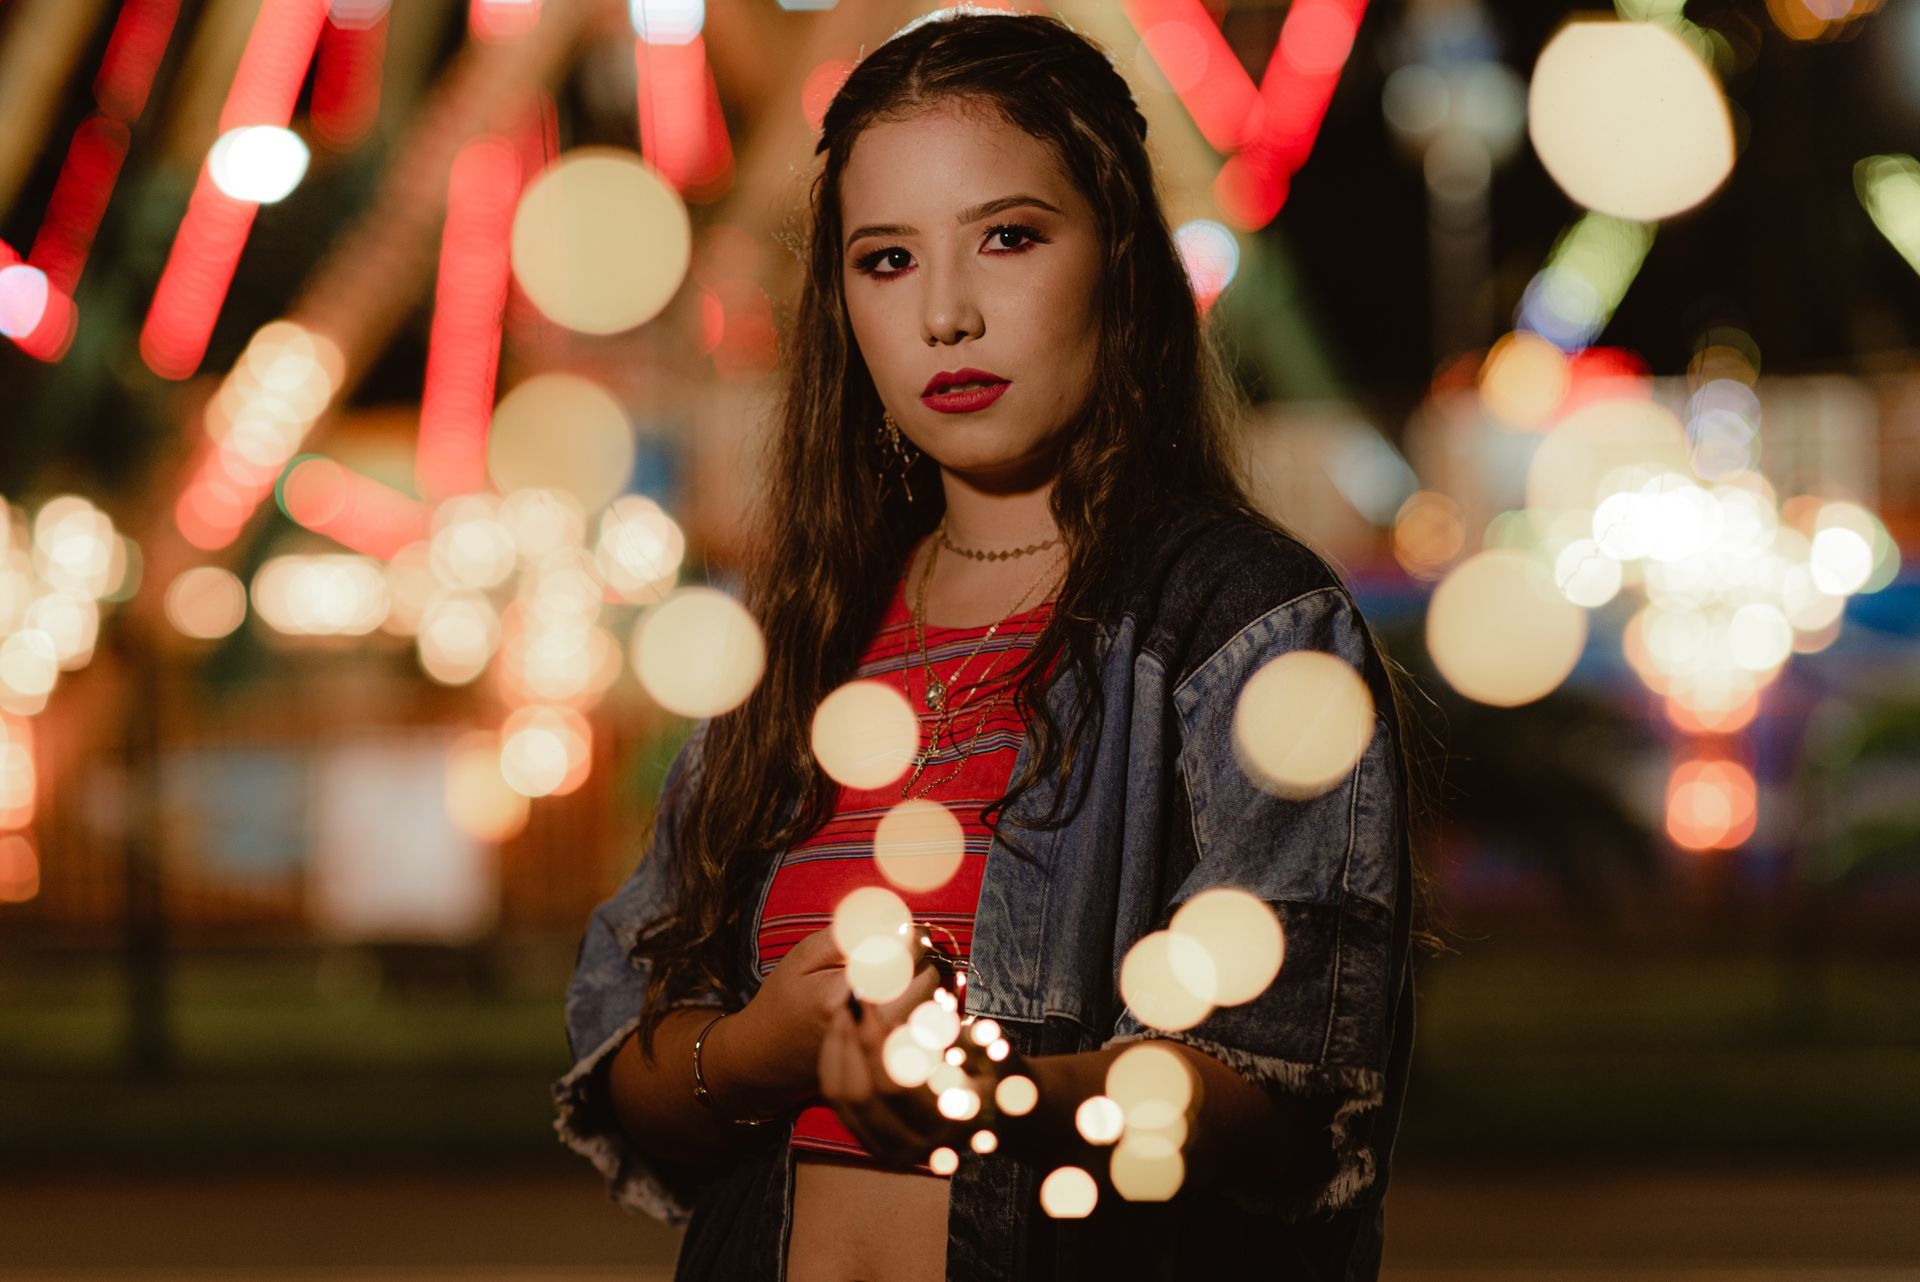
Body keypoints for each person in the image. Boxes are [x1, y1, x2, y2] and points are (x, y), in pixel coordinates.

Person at [553, 10, 1430, 1280]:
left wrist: (1002, 1089)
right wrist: (760, 1049)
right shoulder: (799, 633)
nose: (946, 316)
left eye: (1008, 238)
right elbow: (619, 1052)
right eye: (887, 260)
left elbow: (1282, 1100)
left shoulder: (1247, 626)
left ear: (1120, 258)